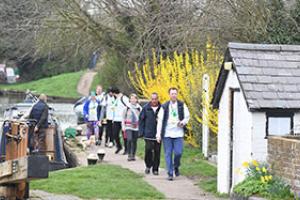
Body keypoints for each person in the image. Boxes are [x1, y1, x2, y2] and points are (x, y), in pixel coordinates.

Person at [156, 88, 190, 181]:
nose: (174, 95)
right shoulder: (165, 106)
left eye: (175, 93)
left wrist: (182, 123)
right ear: (169, 95)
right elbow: (160, 121)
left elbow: (187, 117)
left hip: (178, 133)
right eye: (172, 94)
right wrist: (158, 135)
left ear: (177, 94)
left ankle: (176, 166)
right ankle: (170, 173)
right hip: (167, 133)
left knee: (178, 153)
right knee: (168, 153)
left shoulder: (182, 105)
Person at [139, 92, 162, 175]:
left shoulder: (162, 109)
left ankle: (155, 169)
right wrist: (141, 132)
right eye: (152, 99)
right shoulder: (146, 108)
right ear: (150, 99)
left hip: (158, 134)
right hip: (148, 133)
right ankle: (148, 165)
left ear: (158, 99)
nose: (154, 101)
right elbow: (141, 120)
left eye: (155, 99)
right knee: (148, 150)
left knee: (157, 151)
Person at [122, 94, 142, 161]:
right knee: (129, 139)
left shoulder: (139, 108)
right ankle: (129, 154)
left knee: (134, 141)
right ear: (129, 100)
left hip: (136, 127)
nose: (133, 100)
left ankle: (133, 155)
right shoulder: (127, 108)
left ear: (136, 100)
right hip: (128, 126)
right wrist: (123, 126)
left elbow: (141, 118)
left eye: (134, 98)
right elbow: (123, 117)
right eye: (131, 98)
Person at [112, 87, 129, 154]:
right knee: (115, 134)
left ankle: (126, 149)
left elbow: (128, 106)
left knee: (124, 135)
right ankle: (119, 146)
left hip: (123, 119)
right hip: (116, 119)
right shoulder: (115, 99)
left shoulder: (123, 98)